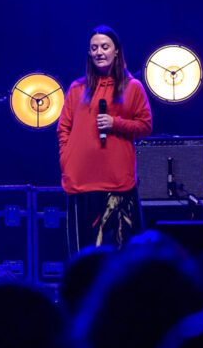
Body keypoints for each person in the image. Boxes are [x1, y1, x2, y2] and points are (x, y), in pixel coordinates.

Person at [58, 25, 152, 251]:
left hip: (117, 181)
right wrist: (67, 160)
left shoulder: (132, 88)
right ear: (89, 54)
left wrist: (115, 123)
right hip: (81, 181)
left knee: (118, 251)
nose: (99, 52)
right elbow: (63, 129)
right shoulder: (77, 88)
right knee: (84, 252)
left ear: (116, 51)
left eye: (105, 47)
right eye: (94, 48)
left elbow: (145, 125)